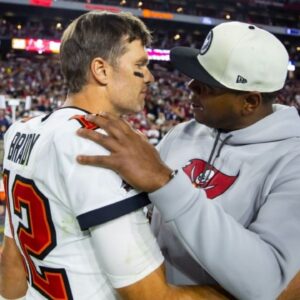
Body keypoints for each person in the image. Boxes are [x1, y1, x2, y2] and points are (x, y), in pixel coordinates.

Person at [0, 11, 229, 300]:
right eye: (140, 65)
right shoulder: (97, 145)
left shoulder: (22, 131)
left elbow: (11, 271)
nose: (149, 76)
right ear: (101, 70)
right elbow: (152, 295)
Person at [76, 21, 300, 299]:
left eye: (207, 86)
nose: (190, 85)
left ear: (250, 102)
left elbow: (268, 285)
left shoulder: (292, 162)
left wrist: (166, 183)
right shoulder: (184, 133)